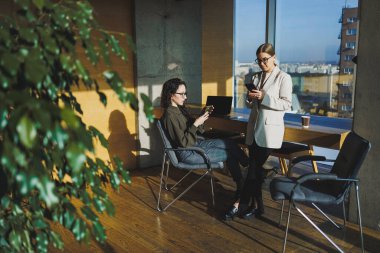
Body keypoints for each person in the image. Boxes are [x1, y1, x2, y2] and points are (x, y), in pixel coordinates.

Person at [224, 43, 293, 220]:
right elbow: (252, 105)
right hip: (254, 129)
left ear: (274, 57)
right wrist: (249, 98)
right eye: (259, 60)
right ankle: (258, 207)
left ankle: (238, 204)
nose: (262, 63)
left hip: (270, 132)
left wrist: (264, 97)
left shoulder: (283, 78)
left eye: (265, 59)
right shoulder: (255, 77)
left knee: (253, 171)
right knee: (255, 173)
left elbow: (286, 104)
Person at [160, 78, 249, 198]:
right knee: (230, 153)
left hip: (195, 145)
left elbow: (197, 131)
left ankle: (248, 169)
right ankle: (243, 184)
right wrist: (196, 123)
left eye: (185, 93)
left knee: (229, 143)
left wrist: (201, 117)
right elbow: (184, 143)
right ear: (171, 94)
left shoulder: (178, 110)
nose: (185, 97)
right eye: (181, 94)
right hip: (189, 153)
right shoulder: (170, 115)